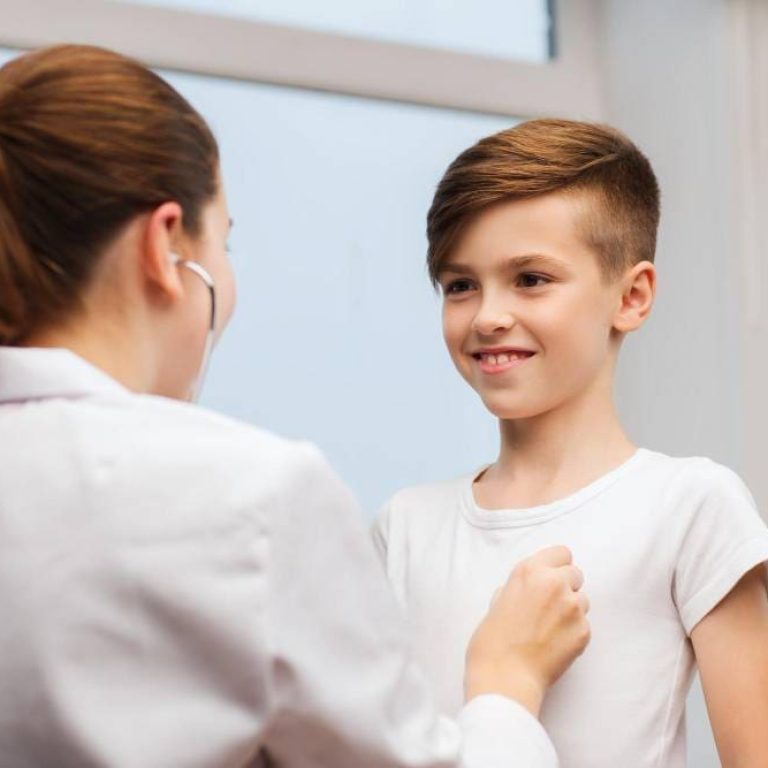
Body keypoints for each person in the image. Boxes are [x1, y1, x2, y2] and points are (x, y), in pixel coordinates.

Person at [0, 45, 591, 767]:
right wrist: (507, 684)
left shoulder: (689, 504)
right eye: (224, 241)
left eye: (530, 278)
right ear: (164, 247)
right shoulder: (250, 496)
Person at [372, 119, 768, 767]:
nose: (488, 315)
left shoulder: (690, 507)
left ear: (632, 296)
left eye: (530, 278)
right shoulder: (405, 528)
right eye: (460, 285)